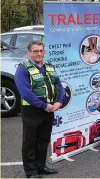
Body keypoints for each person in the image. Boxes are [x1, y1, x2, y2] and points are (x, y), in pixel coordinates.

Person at [15, 40, 64, 178]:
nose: (39, 54)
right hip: (32, 110)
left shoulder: (49, 66)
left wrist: (59, 102)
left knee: (43, 140)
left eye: (41, 51)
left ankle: (41, 166)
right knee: (30, 142)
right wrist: (44, 105)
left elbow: (59, 85)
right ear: (29, 52)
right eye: (35, 51)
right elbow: (26, 93)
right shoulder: (22, 69)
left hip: (49, 110)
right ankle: (31, 172)